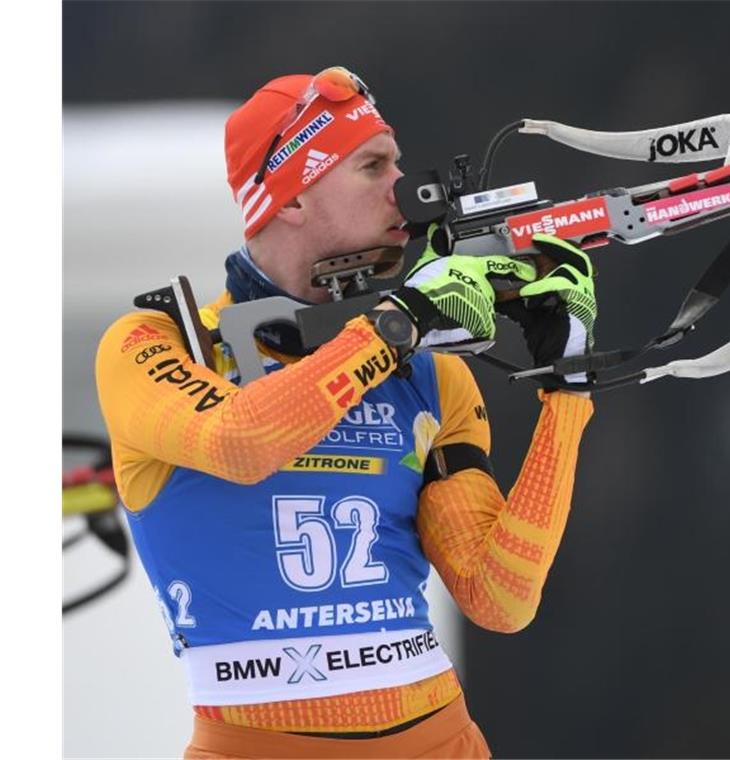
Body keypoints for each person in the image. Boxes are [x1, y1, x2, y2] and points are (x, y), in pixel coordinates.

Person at [94, 66, 598, 759]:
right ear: (293, 196)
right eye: (372, 165)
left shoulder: (429, 370)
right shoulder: (159, 345)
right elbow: (243, 441)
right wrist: (402, 321)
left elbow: (499, 595)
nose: (403, 186)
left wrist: (567, 391)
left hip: (439, 739)